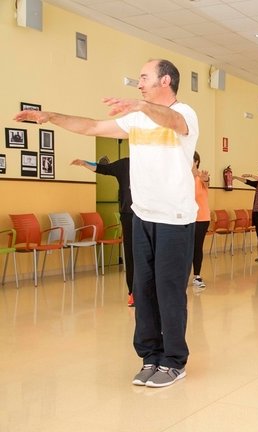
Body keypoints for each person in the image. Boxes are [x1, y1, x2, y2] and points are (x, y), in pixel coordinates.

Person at [16, 59, 198, 387]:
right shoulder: (138, 118)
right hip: (142, 215)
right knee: (142, 290)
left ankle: (174, 361)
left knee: (168, 290)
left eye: (144, 78)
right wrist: (52, 117)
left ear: (165, 80)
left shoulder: (185, 113)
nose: (139, 83)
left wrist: (141, 105)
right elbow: (92, 127)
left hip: (175, 217)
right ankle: (150, 357)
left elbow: (173, 120)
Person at [70, 157, 135, 306]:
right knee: (131, 255)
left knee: (149, 255)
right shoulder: (125, 164)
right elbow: (103, 168)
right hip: (129, 215)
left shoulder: (154, 161)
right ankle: (133, 292)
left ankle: (150, 293)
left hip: (151, 215)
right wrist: (85, 164)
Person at [233, 167, 258, 261]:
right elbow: (247, 181)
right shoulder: (257, 183)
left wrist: (251, 175)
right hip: (257, 212)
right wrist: (236, 177)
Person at [192, 151, 210, 289]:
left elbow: (207, 183)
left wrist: (205, 179)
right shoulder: (182, 177)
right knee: (185, 248)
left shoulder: (201, 177)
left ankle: (197, 276)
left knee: (197, 247)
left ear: (197, 161)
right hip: (185, 218)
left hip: (201, 218)